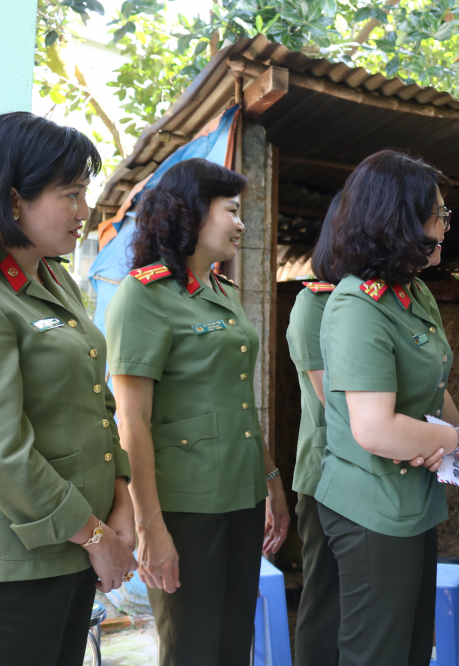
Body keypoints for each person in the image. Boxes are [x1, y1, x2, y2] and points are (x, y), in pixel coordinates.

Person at [105, 158, 290, 666]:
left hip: (243, 497)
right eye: (231, 210)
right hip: (186, 508)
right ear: (191, 213)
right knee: (192, 648)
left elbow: (239, 402)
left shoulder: (221, 292)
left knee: (234, 645)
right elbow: (131, 422)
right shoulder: (143, 297)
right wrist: (151, 528)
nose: (241, 223)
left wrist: (271, 479)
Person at [316, 149, 459, 666]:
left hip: (410, 502)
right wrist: (457, 442)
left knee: (411, 649)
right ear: (400, 220)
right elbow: (376, 428)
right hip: (371, 507)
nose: (444, 227)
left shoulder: (412, 293)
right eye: (437, 215)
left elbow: (435, 390)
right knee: (376, 653)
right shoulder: (356, 306)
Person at [0, 112, 137, 666]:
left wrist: (121, 496)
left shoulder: (53, 277)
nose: (84, 211)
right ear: (14, 200)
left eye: (86, 192)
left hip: (80, 544)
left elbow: (95, 396)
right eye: (70, 194)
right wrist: (97, 535)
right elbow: (7, 450)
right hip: (24, 563)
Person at [285, 192, 341, 666]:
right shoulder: (312, 304)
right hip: (325, 475)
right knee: (324, 598)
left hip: (372, 473)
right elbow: (336, 404)